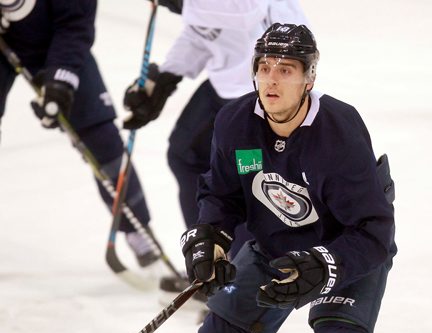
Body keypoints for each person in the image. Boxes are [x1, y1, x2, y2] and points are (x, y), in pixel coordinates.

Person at [178, 23, 397, 333]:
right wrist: (210, 237)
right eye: (264, 68)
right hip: (276, 239)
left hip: (344, 245)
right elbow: (222, 194)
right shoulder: (235, 122)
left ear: (308, 78)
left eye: (285, 70)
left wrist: (327, 265)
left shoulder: (339, 132)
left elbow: (373, 229)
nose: (271, 80)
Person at [122, 0, 308, 261]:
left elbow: (247, 10)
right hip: (226, 85)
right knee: (185, 155)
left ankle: (245, 277)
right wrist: (167, 75)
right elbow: (205, 32)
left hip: (265, 90)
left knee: (249, 182)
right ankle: (206, 256)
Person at [0, 1, 169, 275]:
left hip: (56, 40)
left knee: (101, 138)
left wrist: (60, 83)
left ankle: (138, 231)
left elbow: (75, 26)